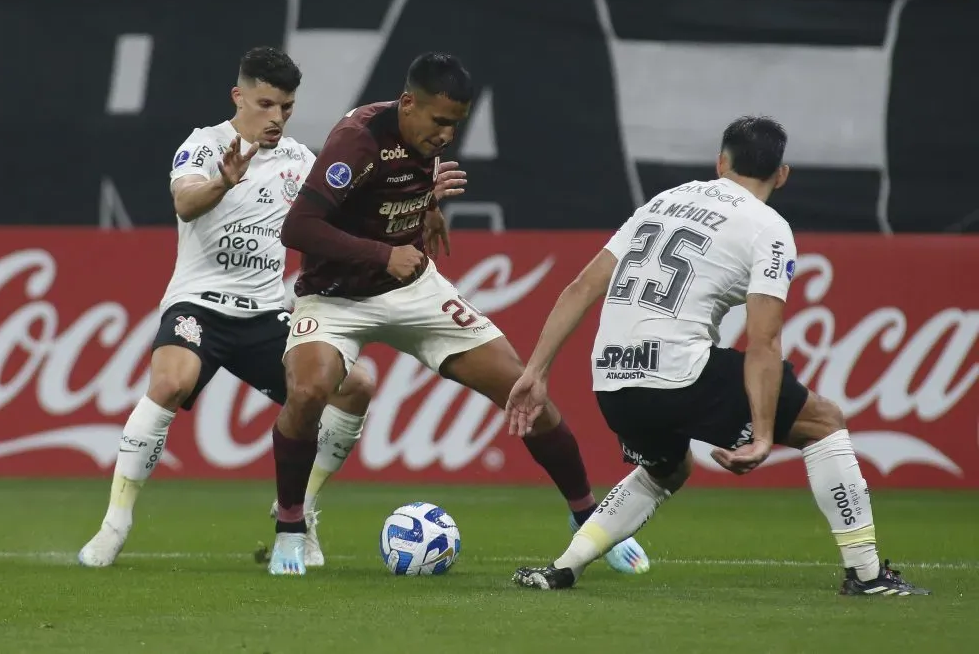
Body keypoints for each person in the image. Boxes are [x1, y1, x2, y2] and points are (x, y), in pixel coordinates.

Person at [506, 116, 930, 596]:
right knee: (824, 422)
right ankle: (868, 575)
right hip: (675, 373)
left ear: (720, 163)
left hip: (611, 380)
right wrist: (764, 434)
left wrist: (536, 371)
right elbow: (765, 342)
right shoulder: (769, 226)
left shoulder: (664, 200)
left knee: (667, 469)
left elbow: (581, 287)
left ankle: (564, 567)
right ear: (782, 174)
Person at [263, 51, 648, 576]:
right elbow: (299, 227)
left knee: (521, 390)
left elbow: (392, 189)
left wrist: (427, 209)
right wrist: (383, 253)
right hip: (334, 297)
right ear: (407, 104)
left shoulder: (422, 138)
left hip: (414, 288)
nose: (446, 135)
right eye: (440, 121)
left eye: (456, 124)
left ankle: (588, 519)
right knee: (309, 390)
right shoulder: (357, 140)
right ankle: (290, 525)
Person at [78, 46, 376, 568]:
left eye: (286, 107)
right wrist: (224, 181)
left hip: (265, 315)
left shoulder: (300, 161)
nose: (277, 117)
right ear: (239, 96)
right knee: (169, 383)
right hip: (200, 305)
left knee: (355, 388)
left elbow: (345, 214)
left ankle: (301, 510)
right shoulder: (204, 145)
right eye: (266, 104)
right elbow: (185, 202)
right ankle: (114, 524)